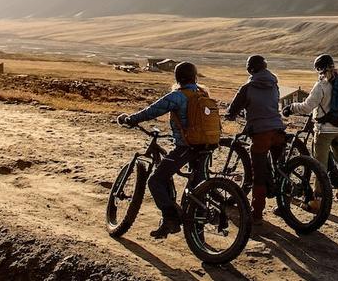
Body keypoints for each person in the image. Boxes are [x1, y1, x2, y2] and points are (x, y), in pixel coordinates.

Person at [117, 61, 208, 238]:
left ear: (177, 78)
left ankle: (170, 219)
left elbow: (152, 111)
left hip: (187, 147)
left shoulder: (178, 96)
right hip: (206, 145)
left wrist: (130, 119)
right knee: (198, 187)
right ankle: (198, 237)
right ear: (194, 77)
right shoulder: (203, 94)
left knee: (155, 181)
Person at [282, 54, 338, 204]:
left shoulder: (322, 85)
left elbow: (307, 107)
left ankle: (318, 200)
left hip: (324, 131)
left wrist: (291, 108)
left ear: (319, 69)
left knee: (319, 167)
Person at [224, 54, 286, 224]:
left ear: (250, 69)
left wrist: (230, 115)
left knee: (258, 174)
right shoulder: (274, 84)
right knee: (281, 169)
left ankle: (257, 213)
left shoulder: (248, 87)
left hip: (260, 132)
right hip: (278, 130)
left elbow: (234, 108)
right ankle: (284, 205)